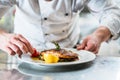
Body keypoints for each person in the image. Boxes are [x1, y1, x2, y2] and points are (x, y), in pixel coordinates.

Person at [0, 0, 120, 57]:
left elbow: (112, 12)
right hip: (24, 55)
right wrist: (2, 37)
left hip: (70, 55)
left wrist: (98, 36)